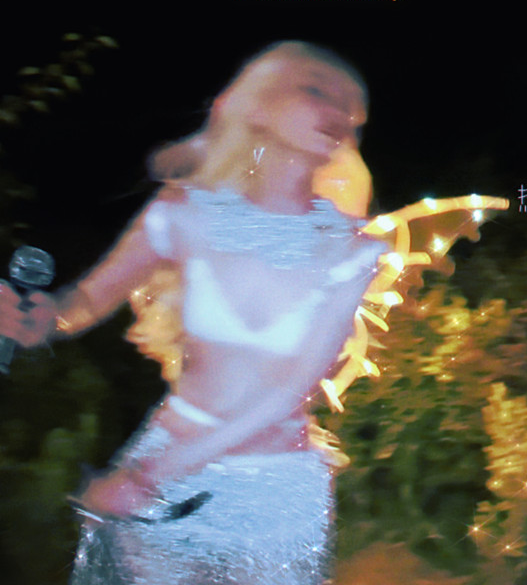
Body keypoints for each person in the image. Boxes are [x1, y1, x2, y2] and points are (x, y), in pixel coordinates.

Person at [0, 41, 387, 584]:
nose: (339, 111)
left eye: (351, 105)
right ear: (257, 106)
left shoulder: (352, 249)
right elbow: (83, 302)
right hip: (167, 462)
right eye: (315, 89)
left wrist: (147, 478)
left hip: (274, 495)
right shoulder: (183, 212)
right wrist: (38, 319)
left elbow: (285, 392)